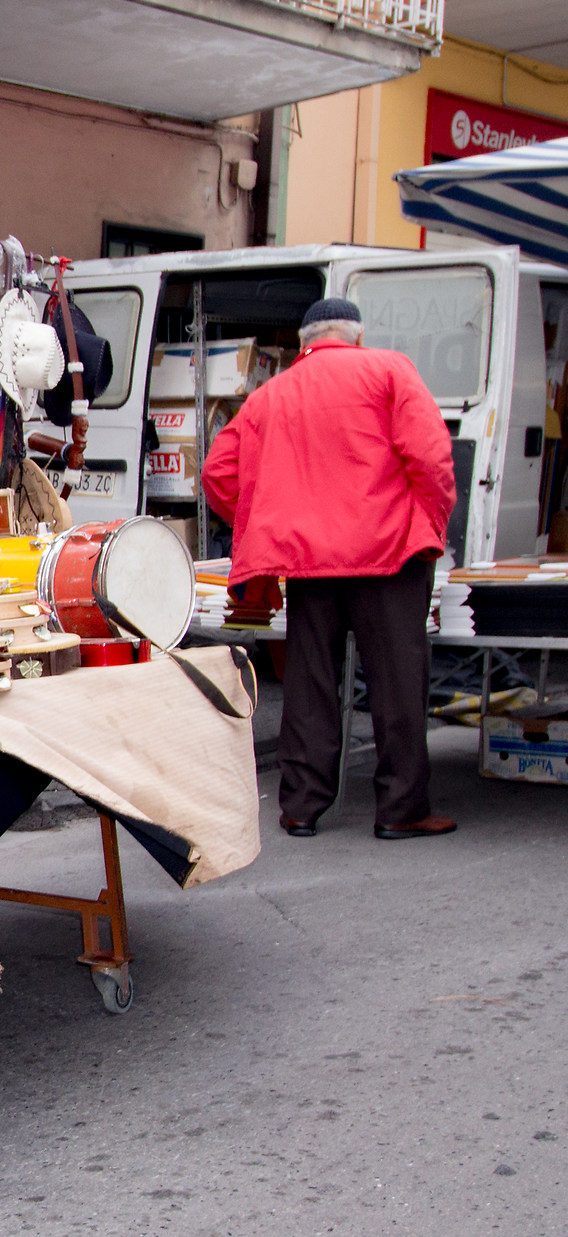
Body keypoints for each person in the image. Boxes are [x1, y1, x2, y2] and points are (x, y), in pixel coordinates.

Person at [203, 296, 458, 841]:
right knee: (397, 683)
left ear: (304, 344)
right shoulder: (389, 370)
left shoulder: (270, 395)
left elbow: (218, 473)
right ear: (357, 337)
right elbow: (431, 458)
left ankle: (301, 806)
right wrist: (428, 524)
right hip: (388, 552)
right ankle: (400, 809)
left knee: (309, 682)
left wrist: (266, 522)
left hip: (307, 560)